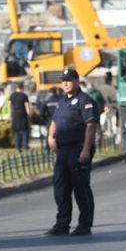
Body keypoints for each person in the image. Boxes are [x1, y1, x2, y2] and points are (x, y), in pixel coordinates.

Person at [44, 68, 99, 237]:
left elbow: (91, 125)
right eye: (63, 81)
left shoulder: (85, 100)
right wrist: (51, 137)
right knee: (61, 188)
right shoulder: (62, 102)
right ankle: (62, 224)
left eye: (69, 80)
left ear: (76, 81)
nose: (66, 83)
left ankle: (84, 224)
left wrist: (86, 150)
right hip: (63, 150)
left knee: (80, 188)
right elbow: (55, 121)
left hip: (79, 148)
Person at [10, 83, 31, 153]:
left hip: (15, 115)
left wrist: (10, 115)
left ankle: (17, 148)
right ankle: (25, 147)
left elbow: (9, 105)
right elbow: (26, 106)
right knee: (25, 131)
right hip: (23, 115)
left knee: (17, 131)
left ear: (16, 88)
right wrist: (29, 115)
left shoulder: (12, 95)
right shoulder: (24, 95)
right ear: (22, 88)